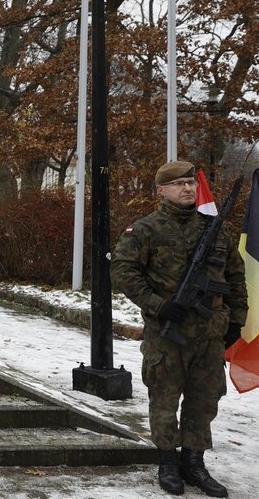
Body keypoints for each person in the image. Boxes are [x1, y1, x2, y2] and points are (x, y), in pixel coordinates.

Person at [111, 160, 247, 498]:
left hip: (210, 334)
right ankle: (168, 463)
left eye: (190, 183)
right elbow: (123, 272)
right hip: (167, 334)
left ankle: (195, 463)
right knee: (165, 399)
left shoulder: (216, 229)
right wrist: (157, 304)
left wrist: (237, 320)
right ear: (161, 190)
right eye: (179, 184)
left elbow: (235, 276)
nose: (187, 188)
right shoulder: (145, 229)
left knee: (204, 400)